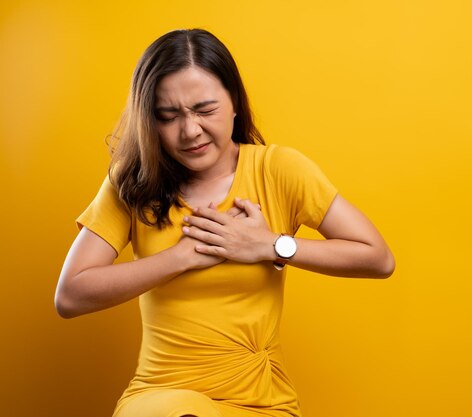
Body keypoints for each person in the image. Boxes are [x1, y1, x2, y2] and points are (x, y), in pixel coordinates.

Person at [55, 28, 394, 417]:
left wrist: (269, 245)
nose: (190, 131)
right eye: (169, 116)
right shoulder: (133, 182)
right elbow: (70, 295)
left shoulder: (278, 170)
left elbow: (378, 258)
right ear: (150, 120)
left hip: (259, 400)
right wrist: (182, 257)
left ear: (234, 103)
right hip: (162, 395)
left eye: (205, 110)